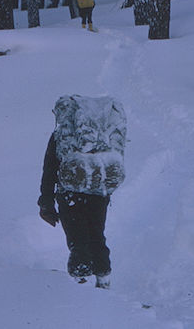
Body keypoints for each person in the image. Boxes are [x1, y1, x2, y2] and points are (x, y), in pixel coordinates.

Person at [37, 95, 126, 289]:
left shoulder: (63, 135)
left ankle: (80, 287)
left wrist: (46, 202)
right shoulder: (104, 133)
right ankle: (104, 281)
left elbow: (50, 168)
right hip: (98, 193)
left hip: (70, 194)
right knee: (97, 236)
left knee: (78, 241)